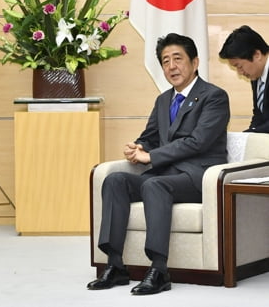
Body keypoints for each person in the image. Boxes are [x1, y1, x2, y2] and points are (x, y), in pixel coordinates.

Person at [86, 33, 230, 295]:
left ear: (195, 62)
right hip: (164, 175)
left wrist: (151, 157)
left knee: (154, 185)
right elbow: (151, 137)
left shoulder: (215, 97)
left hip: (198, 176)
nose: (171, 66)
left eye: (178, 59)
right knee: (115, 180)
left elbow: (198, 142)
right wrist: (139, 147)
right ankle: (116, 264)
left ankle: (159, 269)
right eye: (165, 61)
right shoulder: (163, 100)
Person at [219, 25, 269, 132]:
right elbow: (259, 115)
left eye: (239, 66)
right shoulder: (256, 76)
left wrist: (251, 133)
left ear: (257, 55)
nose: (240, 73)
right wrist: (247, 136)